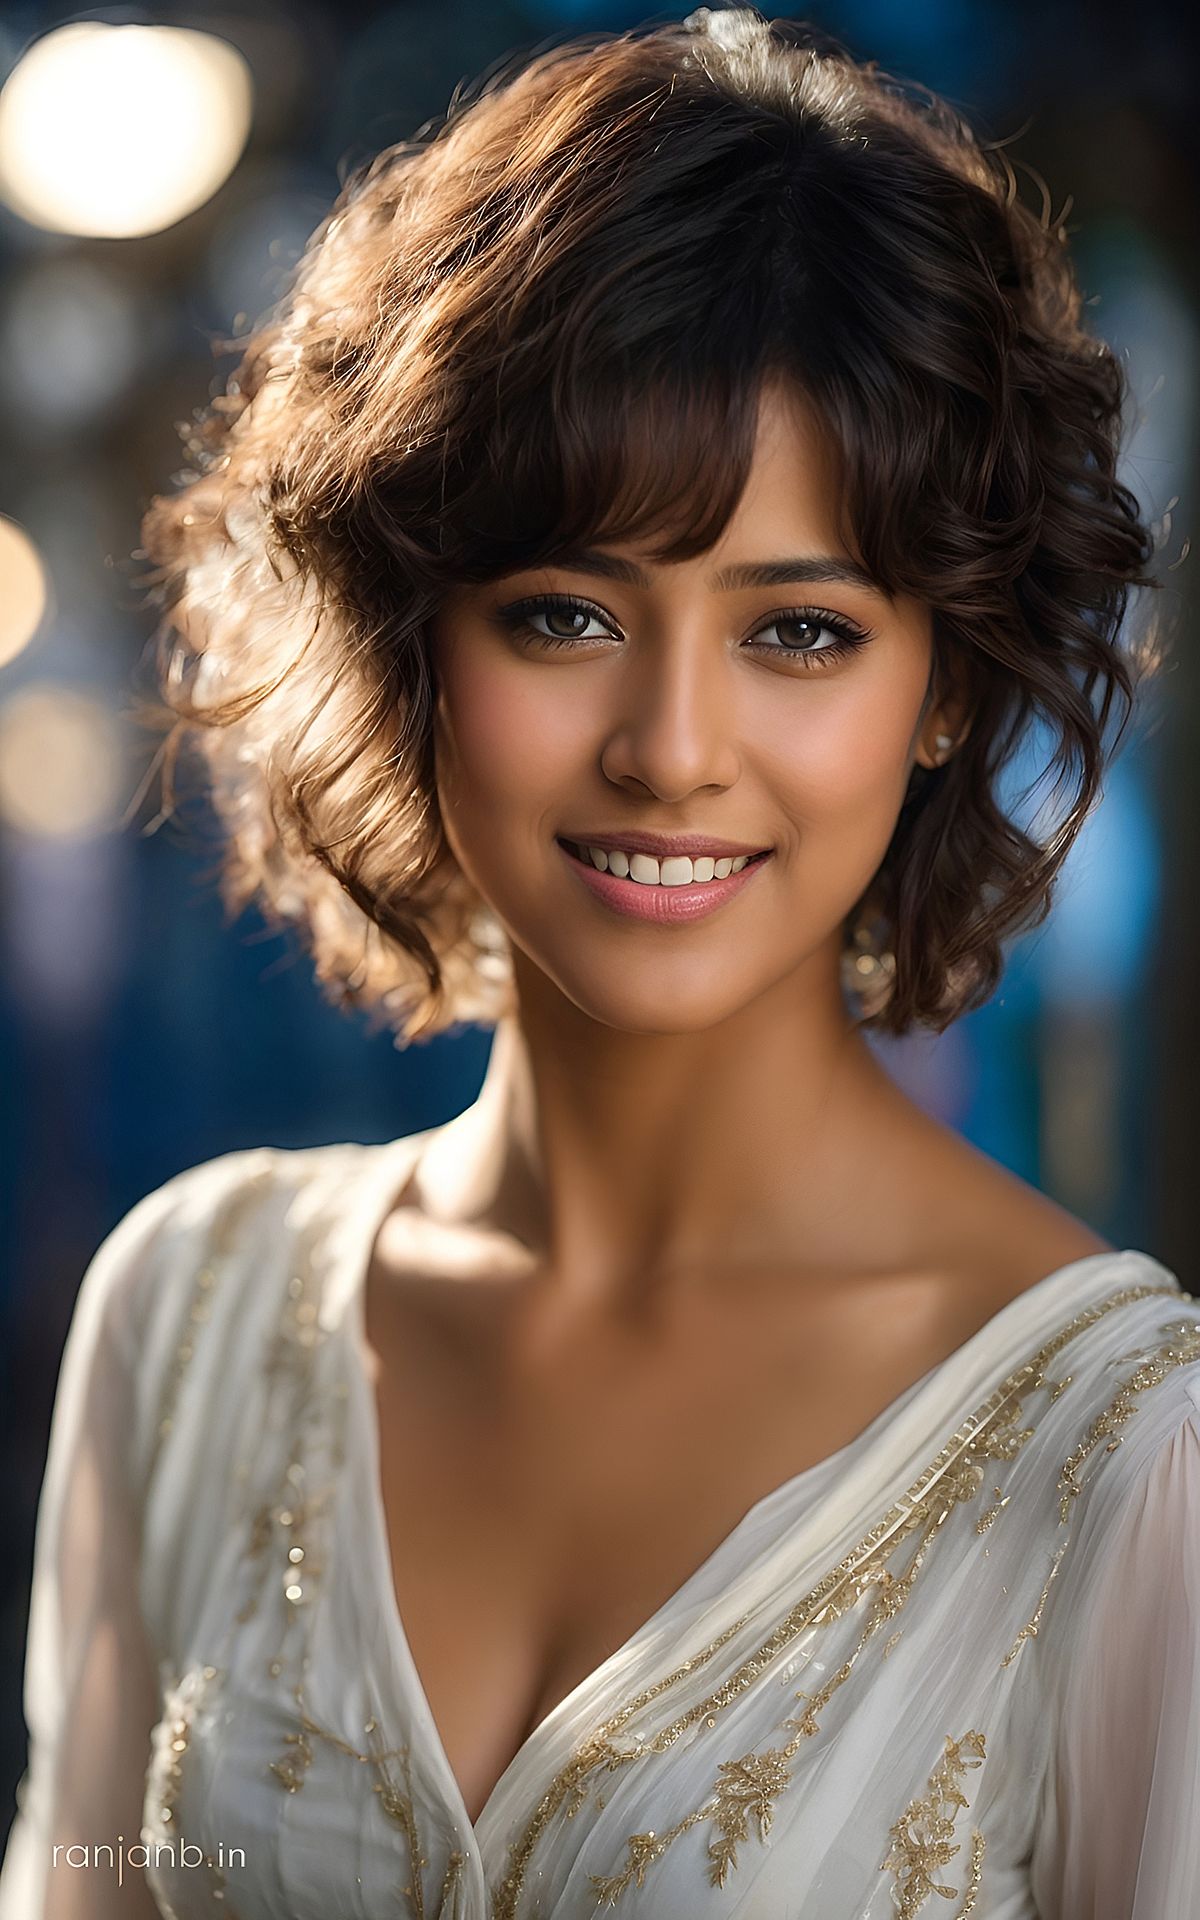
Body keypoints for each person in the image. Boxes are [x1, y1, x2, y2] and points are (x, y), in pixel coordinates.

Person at [3, 9, 1198, 1917]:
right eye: (565, 612)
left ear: (949, 684)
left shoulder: (1129, 1454)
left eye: (797, 632)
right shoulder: (188, 1313)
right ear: (413, 641)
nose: (668, 742)